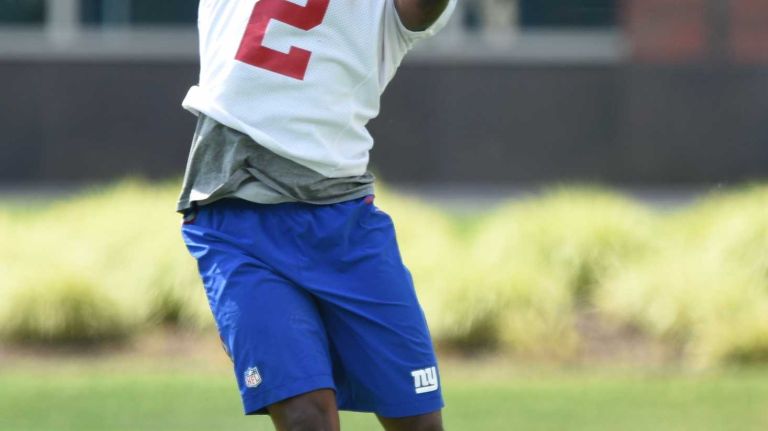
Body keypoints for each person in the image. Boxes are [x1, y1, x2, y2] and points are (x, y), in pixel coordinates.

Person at [178, 1, 456, 430]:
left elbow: (420, 8)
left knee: (418, 422)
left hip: (345, 226)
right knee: (305, 417)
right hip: (234, 216)